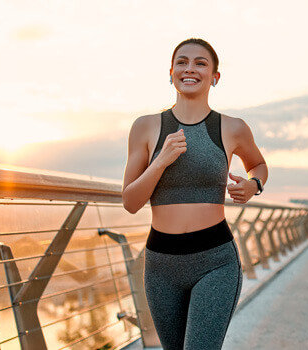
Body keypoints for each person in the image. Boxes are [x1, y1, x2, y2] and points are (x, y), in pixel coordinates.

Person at [121, 38, 267, 350]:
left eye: (201, 63)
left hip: (215, 259)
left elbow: (258, 164)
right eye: (182, 62)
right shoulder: (145, 127)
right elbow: (131, 202)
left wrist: (253, 185)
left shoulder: (233, 127)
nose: (190, 68)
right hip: (160, 264)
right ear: (171, 72)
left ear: (215, 76)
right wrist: (161, 161)